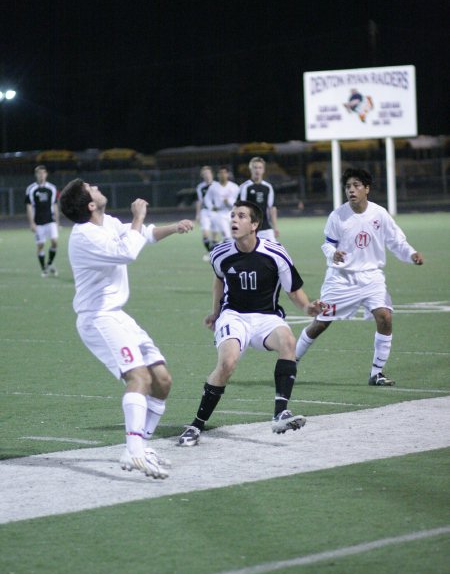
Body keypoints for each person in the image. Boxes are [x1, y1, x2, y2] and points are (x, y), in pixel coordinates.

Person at [59, 178, 193, 477]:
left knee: (162, 380)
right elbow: (128, 252)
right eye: (90, 187)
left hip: (117, 315)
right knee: (140, 377)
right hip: (98, 317)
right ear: (90, 204)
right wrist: (138, 215)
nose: (95, 185)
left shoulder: (105, 222)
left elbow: (141, 236)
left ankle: (140, 446)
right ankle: (134, 452)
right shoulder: (83, 236)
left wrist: (174, 227)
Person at [177, 199, 322, 447]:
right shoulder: (220, 253)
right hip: (234, 315)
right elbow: (219, 280)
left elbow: (294, 292)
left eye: (241, 216)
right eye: (232, 215)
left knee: (288, 341)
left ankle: (280, 413)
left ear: (254, 224)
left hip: (267, 317)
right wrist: (215, 312)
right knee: (227, 363)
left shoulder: (276, 253)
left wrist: (309, 307)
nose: (234, 219)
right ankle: (196, 425)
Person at [295, 167, 424, 385]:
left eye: (356, 186)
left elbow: (396, 241)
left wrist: (411, 254)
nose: (351, 190)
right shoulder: (338, 216)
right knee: (320, 324)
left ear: (367, 189)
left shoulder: (379, 214)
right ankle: (291, 361)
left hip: (372, 277)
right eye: (347, 186)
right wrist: (333, 253)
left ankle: (376, 373)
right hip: (341, 279)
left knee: (385, 316)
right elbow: (327, 244)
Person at [25, 165, 60, 277]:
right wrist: (32, 223)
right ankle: (43, 269)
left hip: (50, 220)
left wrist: (57, 221)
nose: (41, 175)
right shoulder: (31, 189)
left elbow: (55, 205)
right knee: (40, 245)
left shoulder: (52, 188)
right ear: (36, 175)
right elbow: (29, 207)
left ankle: (49, 264)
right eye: (39, 173)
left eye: (43, 173)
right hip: (38, 222)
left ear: (46, 174)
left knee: (54, 242)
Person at [238, 156, 279, 241]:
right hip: (250, 229)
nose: (257, 170)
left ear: (263, 170)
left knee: (275, 252)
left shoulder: (268, 187)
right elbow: (240, 208)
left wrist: (275, 226)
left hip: (266, 227)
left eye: (260, 168)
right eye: (255, 167)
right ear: (251, 169)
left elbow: (272, 208)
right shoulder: (245, 187)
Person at [204, 166, 239, 240]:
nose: (222, 175)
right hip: (220, 213)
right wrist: (211, 207)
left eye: (224, 173)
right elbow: (207, 199)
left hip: (232, 212)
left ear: (228, 174)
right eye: (220, 173)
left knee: (235, 234)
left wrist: (229, 201)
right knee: (226, 234)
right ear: (218, 175)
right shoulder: (213, 187)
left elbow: (238, 200)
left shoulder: (234, 187)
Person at [195, 165, 220, 260]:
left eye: (208, 173)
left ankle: (213, 254)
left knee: (215, 236)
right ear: (202, 175)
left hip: (216, 212)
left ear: (211, 174)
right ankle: (210, 252)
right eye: (204, 174)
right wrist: (197, 214)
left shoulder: (217, 185)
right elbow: (199, 201)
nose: (207, 175)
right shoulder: (200, 187)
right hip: (205, 212)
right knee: (205, 233)